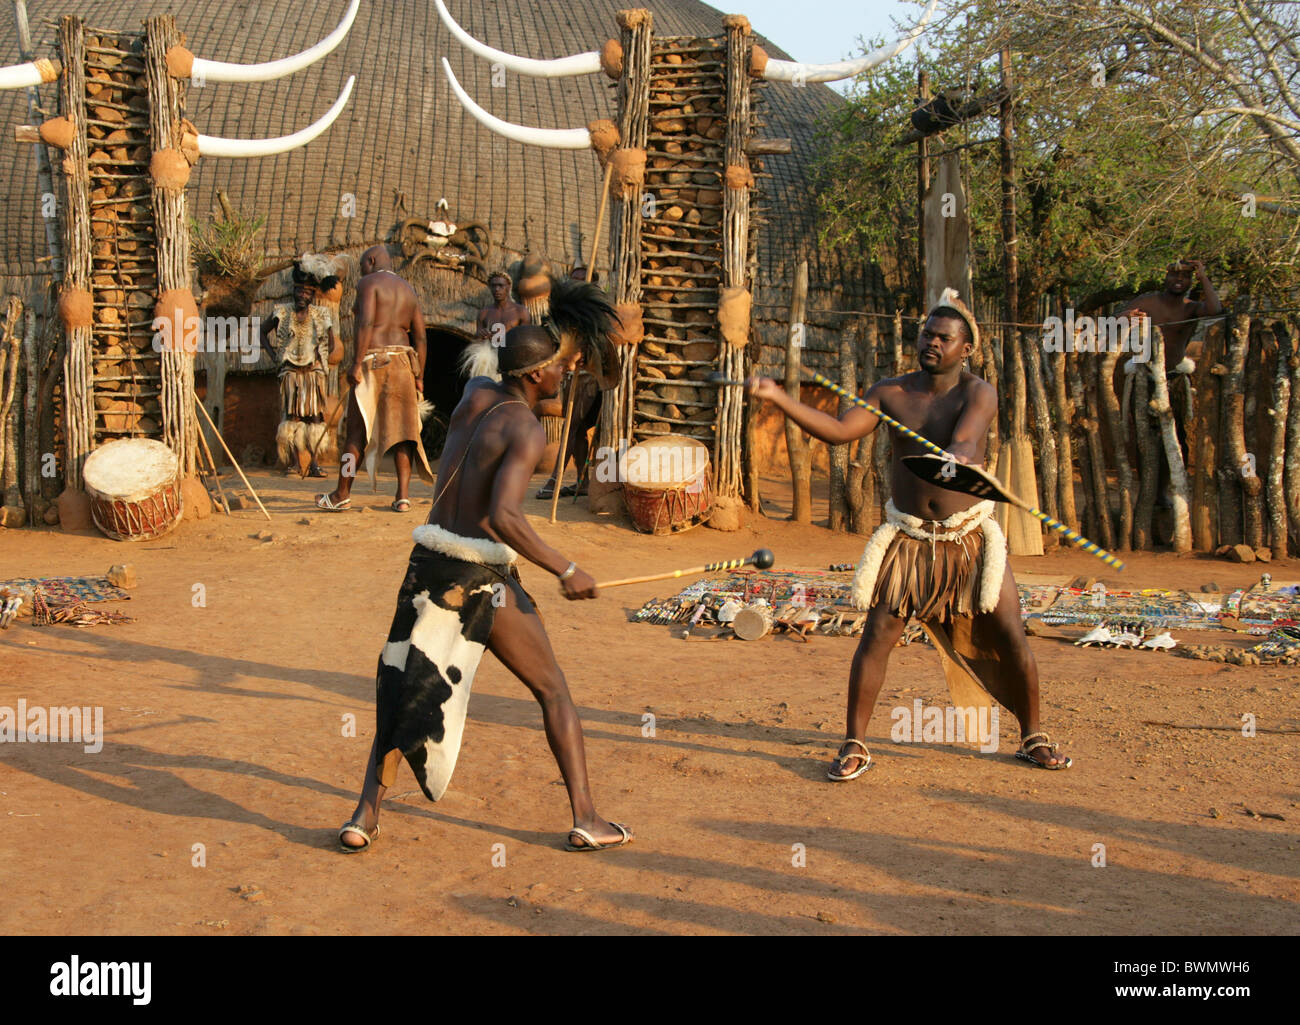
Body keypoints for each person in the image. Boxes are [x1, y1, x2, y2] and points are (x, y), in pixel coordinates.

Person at [339, 303, 630, 853]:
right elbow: (503, 517)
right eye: (557, 368)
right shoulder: (525, 428)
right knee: (554, 690)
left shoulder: (475, 397)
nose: (564, 373)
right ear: (533, 375)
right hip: (479, 578)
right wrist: (566, 569)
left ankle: (363, 816)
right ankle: (586, 817)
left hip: (427, 564)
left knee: (404, 687)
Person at [745, 290, 1071, 780]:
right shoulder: (889, 392)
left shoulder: (977, 392)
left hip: (969, 538)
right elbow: (839, 430)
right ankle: (854, 744)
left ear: (966, 349)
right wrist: (778, 398)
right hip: (909, 539)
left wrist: (957, 457)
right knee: (877, 636)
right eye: (927, 334)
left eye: (945, 338)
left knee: (1010, 632)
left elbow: (966, 436)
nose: (932, 343)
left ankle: (1033, 736)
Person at [316, 247, 434, 513]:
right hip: (404, 363)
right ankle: (402, 497)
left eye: (362, 266)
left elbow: (366, 322)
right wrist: (420, 376)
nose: (362, 272)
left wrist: (356, 363)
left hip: (373, 363)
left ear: (371, 261)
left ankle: (341, 493)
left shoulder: (369, 283)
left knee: (356, 433)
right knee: (405, 434)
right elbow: (421, 337)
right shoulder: (408, 289)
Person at [1119, 259, 1223, 508]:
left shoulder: (1191, 308)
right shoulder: (1147, 302)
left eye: (1186, 277)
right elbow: (1117, 318)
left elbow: (1215, 310)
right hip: (1145, 378)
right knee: (1145, 438)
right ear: (1165, 278)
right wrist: (1127, 316)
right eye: (1174, 276)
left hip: (1174, 378)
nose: (1179, 280)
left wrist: (1203, 276)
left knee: (1175, 437)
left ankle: (1170, 491)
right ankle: (1149, 493)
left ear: (1190, 281)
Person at [262, 256, 341, 478]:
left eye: (306, 292)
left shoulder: (320, 314)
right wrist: (274, 355)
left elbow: (331, 341)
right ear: (294, 292)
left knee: (315, 419)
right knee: (292, 418)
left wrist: (320, 356)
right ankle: (297, 465)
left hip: (312, 374)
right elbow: (262, 331)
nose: (302, 295)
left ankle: (314, 464)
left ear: (313, 294)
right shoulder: (282, 311)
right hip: (291, 374)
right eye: (299, 291)